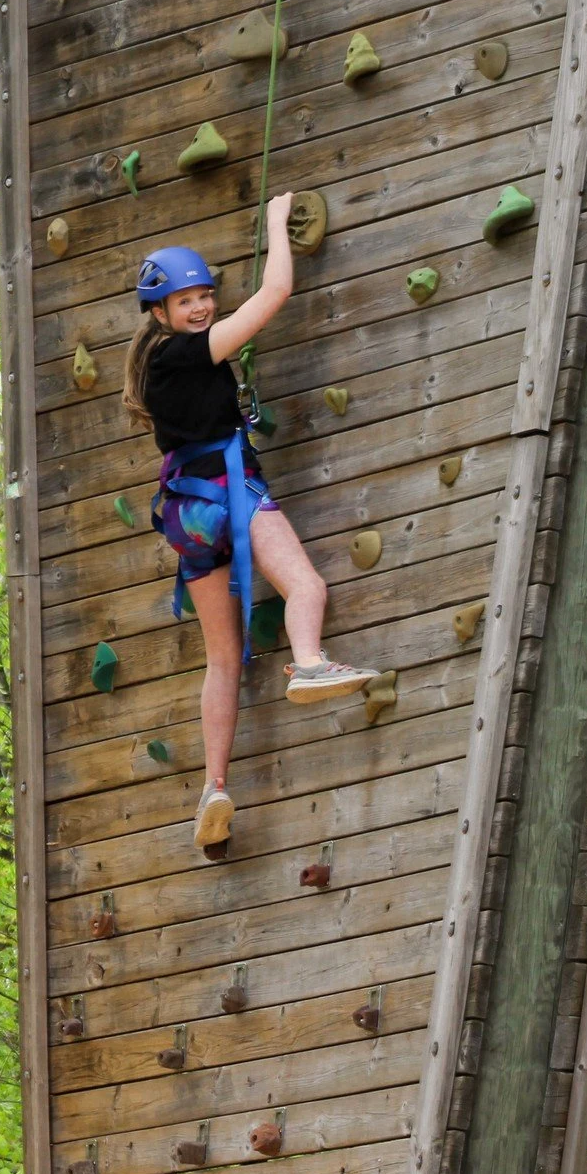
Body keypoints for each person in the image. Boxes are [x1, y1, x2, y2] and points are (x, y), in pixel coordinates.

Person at [121, 191, 378, 855]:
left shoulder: (157, 367)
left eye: (205, 295)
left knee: (222, 658)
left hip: (188, 515)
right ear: (159, 313)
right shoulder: (187, 352)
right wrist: (275, 222)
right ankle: (310, 663)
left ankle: (214, 786)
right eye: (185, 301)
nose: (201, 307)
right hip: (228, 492)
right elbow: (275, 293)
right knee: (306, 587)